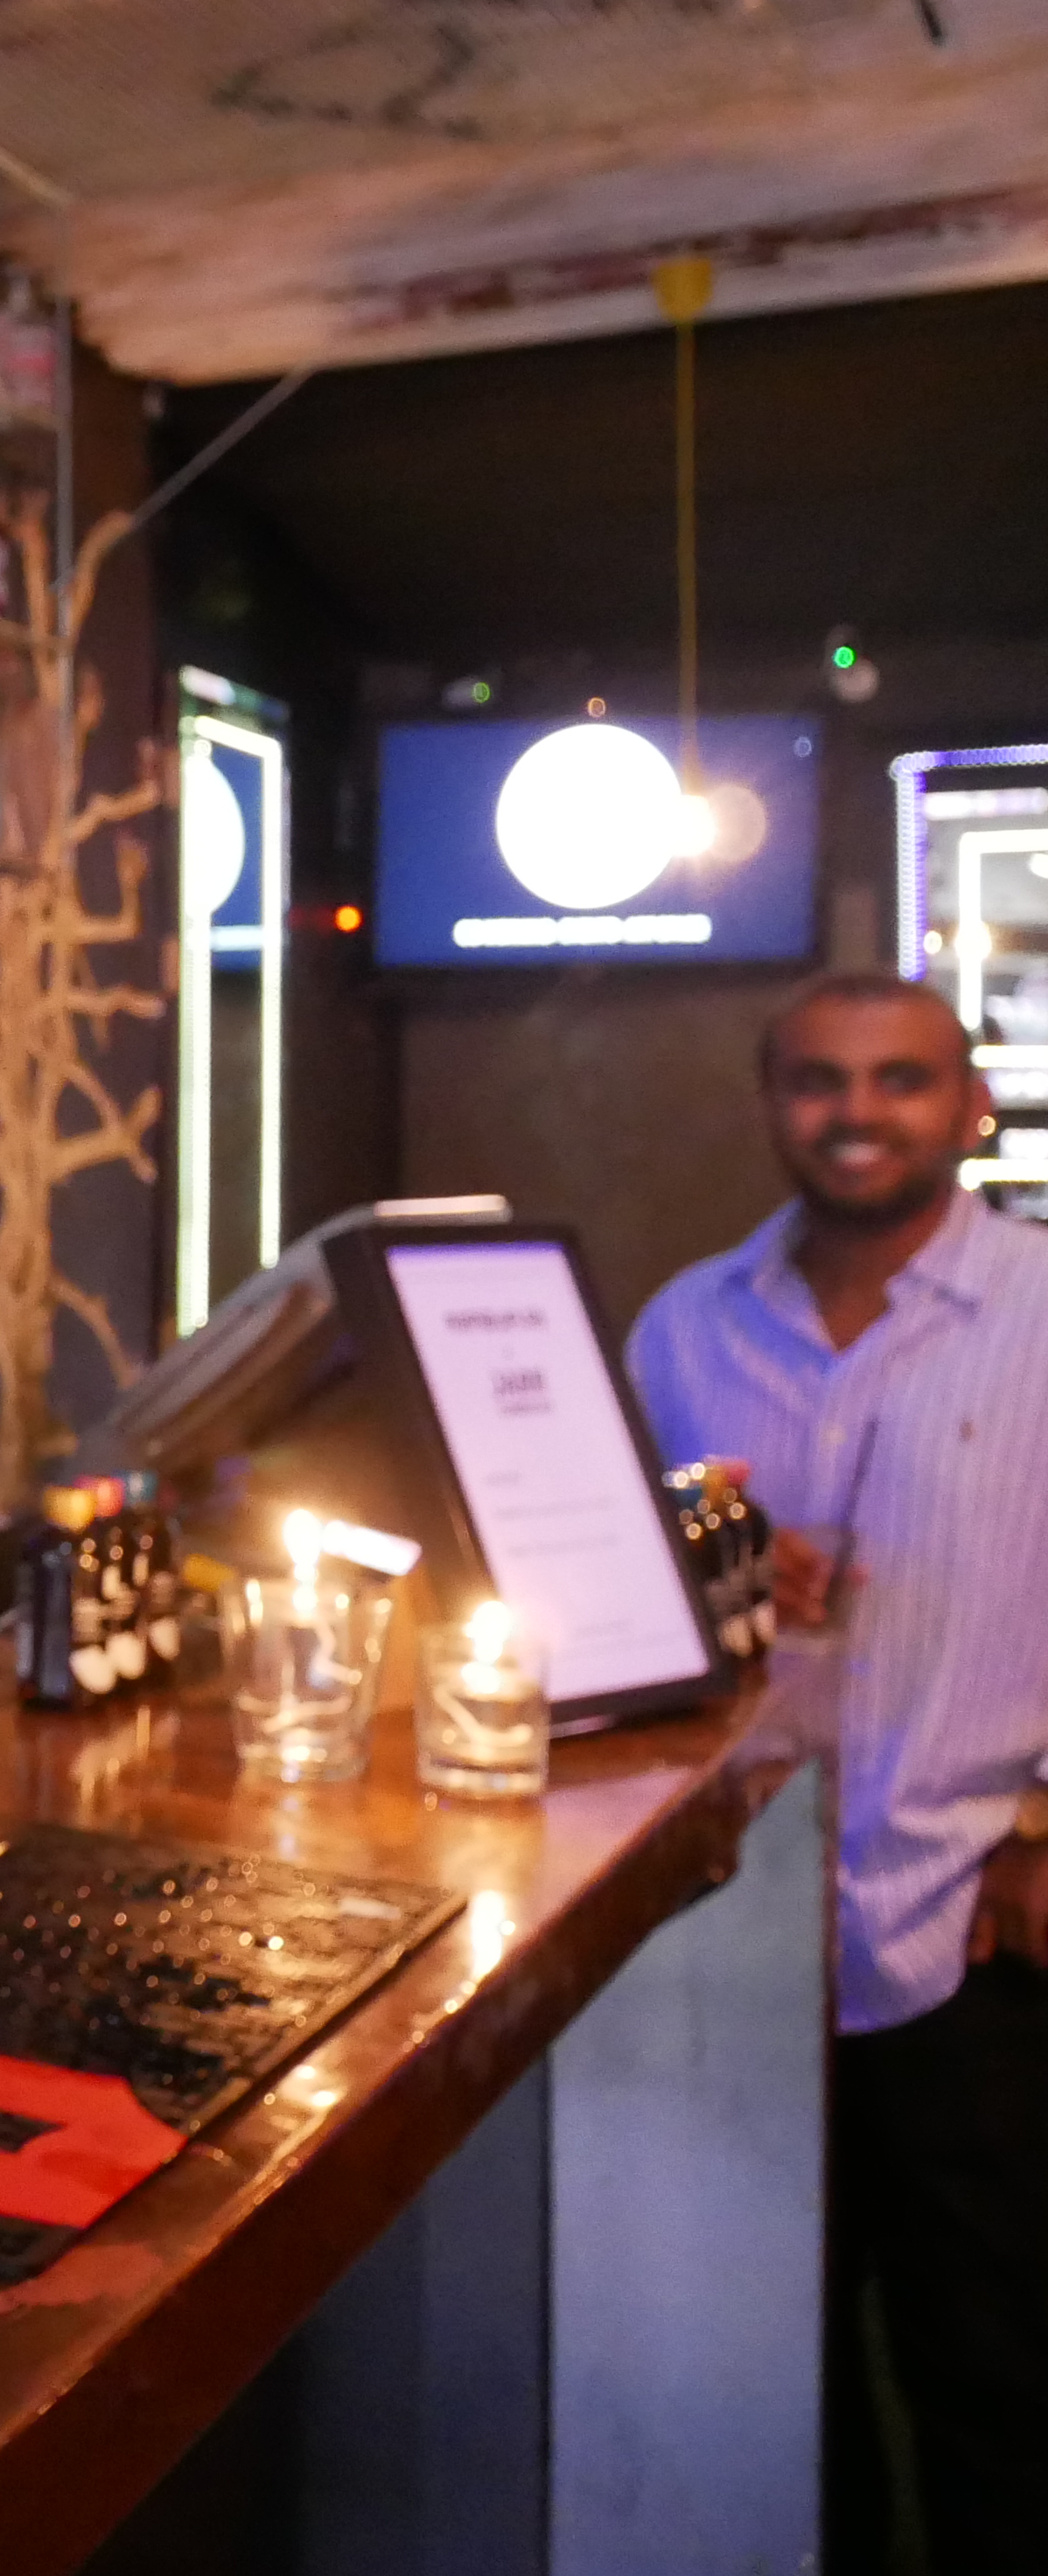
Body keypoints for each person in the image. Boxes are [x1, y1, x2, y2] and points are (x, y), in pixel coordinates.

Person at [624, 971, 1048, 2576]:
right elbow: (633, 1590)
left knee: (997, 2379)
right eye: (818, 1081)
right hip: (729, 1942)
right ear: (770, 1102)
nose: (856, 1113)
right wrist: (706, 1566)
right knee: (767, 2384)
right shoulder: (683, 1323)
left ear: (969, 1106)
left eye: (899, 1081)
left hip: (977, 1929)